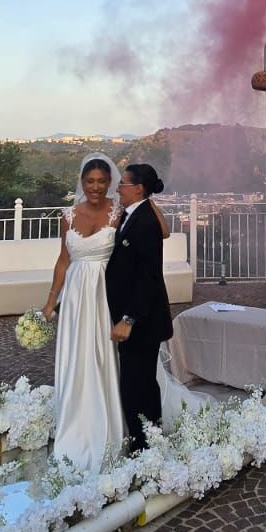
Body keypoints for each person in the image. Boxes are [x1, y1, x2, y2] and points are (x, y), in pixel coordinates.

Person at [42, 154, 126, 473]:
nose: (95, 187)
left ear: (110, 183)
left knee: (104, 355)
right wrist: (52, 299)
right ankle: (75, 421)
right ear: (82, 182)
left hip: (106, 292)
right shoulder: (68, 215)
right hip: (76, 296)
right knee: (77, 356)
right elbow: (63, 260)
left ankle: (108, 420)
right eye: (89, 181)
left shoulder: (118, 213)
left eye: (101, 181)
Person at [106, 162, 173, 452]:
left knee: (137, 386)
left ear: (138, 189)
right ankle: (147, 439)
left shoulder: (144, 221)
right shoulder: (132, 214)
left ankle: (144, 446)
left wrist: (128, 319)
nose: (118, 188)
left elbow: (148, 277)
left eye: (122, 184)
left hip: (143, 320)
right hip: (137, 316)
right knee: (140, 382)